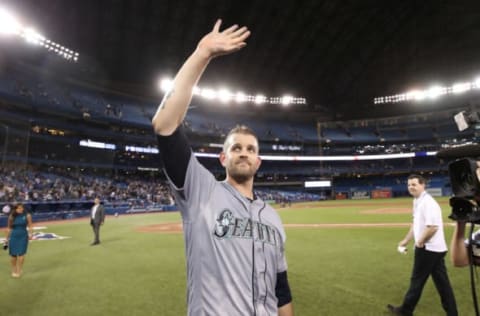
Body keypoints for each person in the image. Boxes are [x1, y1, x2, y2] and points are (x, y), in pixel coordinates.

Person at [151, 19, 294, 316]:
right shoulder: (201, 191)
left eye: (250, 149)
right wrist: (202, 54)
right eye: (236, 148)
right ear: (223, 158)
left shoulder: (274, 219)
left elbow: (281, 290)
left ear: (258, 161)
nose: (243, 153)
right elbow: (164, 125)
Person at [387, 174, 457, 316]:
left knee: (417, 280)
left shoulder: (428, 203)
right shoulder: (417, 201)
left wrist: (420, 242)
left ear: (423, 185)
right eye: (409, 185)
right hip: (435, 249)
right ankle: (452, 313)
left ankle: (405, 311)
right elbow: (416, 224)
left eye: (414, 184)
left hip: (428, 249)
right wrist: (406, 240)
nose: (411, 187)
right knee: (442, 284)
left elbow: (433, 227)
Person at [5, 203, 33, 278]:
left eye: (22, 208)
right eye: (19, 208)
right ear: (15, 209)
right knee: (13, 254)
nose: (21, 209)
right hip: (14, 236)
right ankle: (14, 269)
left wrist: (30, 234)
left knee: (21, 253)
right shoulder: (11, 217)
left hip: (23, 236)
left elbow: (30, 226)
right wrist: (6, 239)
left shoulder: (27, 215)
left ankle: (19, 269)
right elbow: (9, 228)